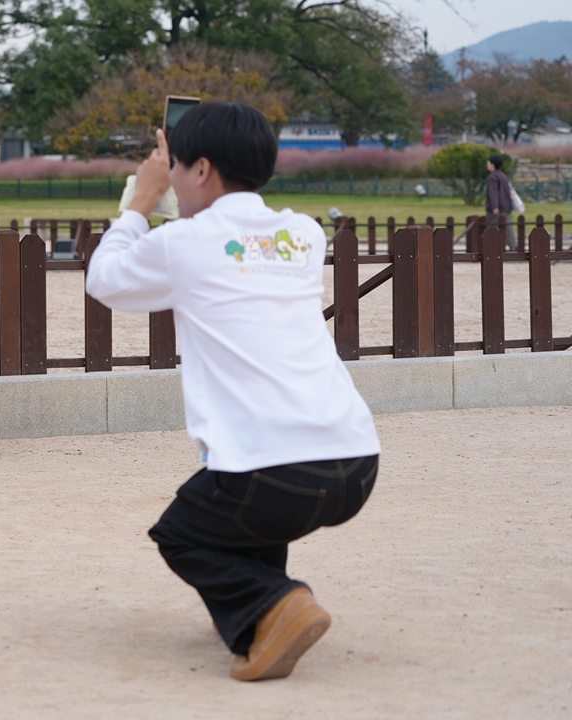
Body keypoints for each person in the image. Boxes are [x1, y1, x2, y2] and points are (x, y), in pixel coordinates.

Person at [85, 102, 381, 681]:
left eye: (174, 167)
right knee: (240, 514)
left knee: (182, 534)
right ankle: (260, 617)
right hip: (355, 461)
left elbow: (105, 279)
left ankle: (277, 604)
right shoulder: (303, 233)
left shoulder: (187, 243)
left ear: (200, 170)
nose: (168, 177)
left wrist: (140, 202)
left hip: (274, 470)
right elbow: (235, 254)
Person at [485, 155, 517, 250]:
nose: (487, 165)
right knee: (508, 226)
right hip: (506, 206)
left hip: (497, 207)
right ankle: (513, 245)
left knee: (489, 226)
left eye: (489, 163)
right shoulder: (502, 175)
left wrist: (494, 206)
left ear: (492, 165)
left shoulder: (493, 177)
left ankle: (487, 246)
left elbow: (493, 192)